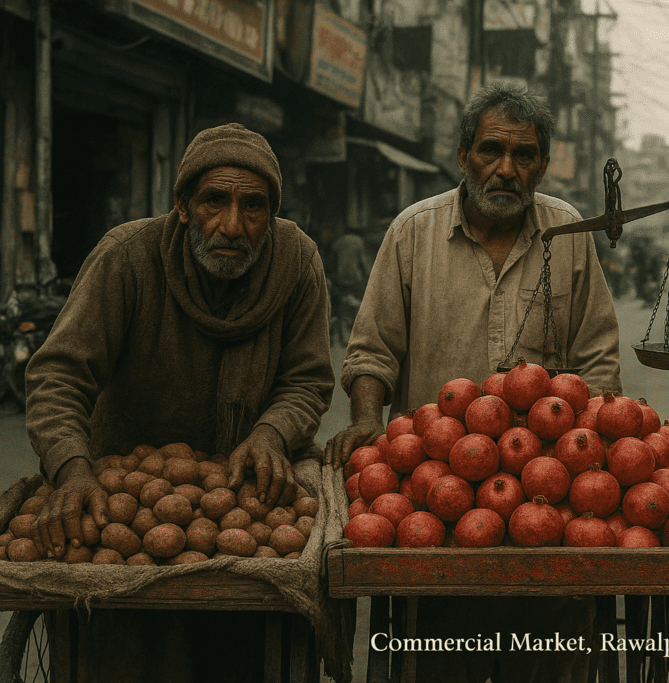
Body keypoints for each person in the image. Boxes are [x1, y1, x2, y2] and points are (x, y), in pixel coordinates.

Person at [327, 82, 622, 683]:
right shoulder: (413, 233)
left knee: (548, 659)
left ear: (542, 163)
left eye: (524, 155)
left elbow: (598, 359)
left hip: (552, 494)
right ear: (463, 156)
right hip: (436, 497)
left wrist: (591, 456)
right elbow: (372, 349)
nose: (506, 170)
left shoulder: (568, 234)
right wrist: (366, 418)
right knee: (438, 657)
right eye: (491, 151)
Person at [24, 122, 335, 682]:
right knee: (130, 652)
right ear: (184, 205)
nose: (233, 226)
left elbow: (307, 379)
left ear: (273, 213)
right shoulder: (127, 257)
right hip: (126, 476)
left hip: (249, 484)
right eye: (215, 200)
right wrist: (71, 468)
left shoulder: (297, 263)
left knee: (247, 647)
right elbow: (58, 374)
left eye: (254, 206)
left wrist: (270, 433)